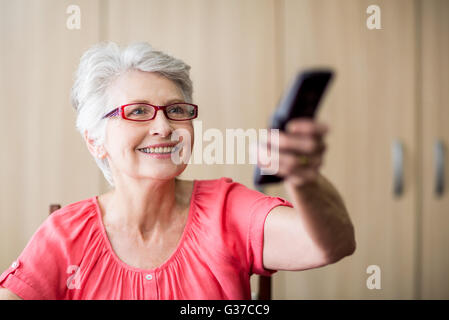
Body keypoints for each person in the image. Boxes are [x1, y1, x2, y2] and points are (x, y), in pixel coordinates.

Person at [0, 42, 355, 300]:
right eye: (138, 111)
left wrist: (303, 178)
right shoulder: (65, 236)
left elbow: (330, 246)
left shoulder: (226, 210)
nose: (164, 127)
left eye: (176, 110)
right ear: (96, 140)